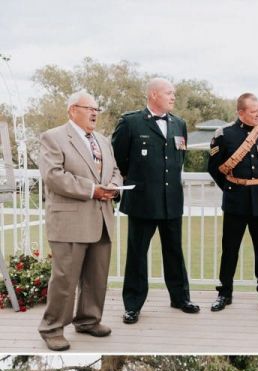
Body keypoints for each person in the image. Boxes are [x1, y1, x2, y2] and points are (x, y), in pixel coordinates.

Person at [36, 90, 121, 351]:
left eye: (97, 109)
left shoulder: (103, 140)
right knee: (65, 280)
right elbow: (53, 176)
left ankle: (88, 320)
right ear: (73, 110)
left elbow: (116, 170)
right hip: (70, 222)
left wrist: (114, 186)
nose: (95, 112)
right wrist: (92, 190)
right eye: (89, 108)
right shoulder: (53, 137)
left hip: (102, 218)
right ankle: (52, 328)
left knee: (97, 277)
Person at [112, 77, 199, 324]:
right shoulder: (131, 122)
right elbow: (120, 159)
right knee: (137, 255)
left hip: (171, 200)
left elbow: (177, 160)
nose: (173, 97)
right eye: (168, 92)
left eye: (173, 93)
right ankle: (132, 305)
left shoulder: (179, 124)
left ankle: (180, 298)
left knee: (174, 251)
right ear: (153, 95)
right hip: (142, 201)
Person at [208, 94, 258, 315]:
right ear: (240, 112)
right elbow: (214, 168)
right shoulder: (224, 134)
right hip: (235, 201)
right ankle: (224, 293)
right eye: (253, 111)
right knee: (230, 250)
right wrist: (231, 188)